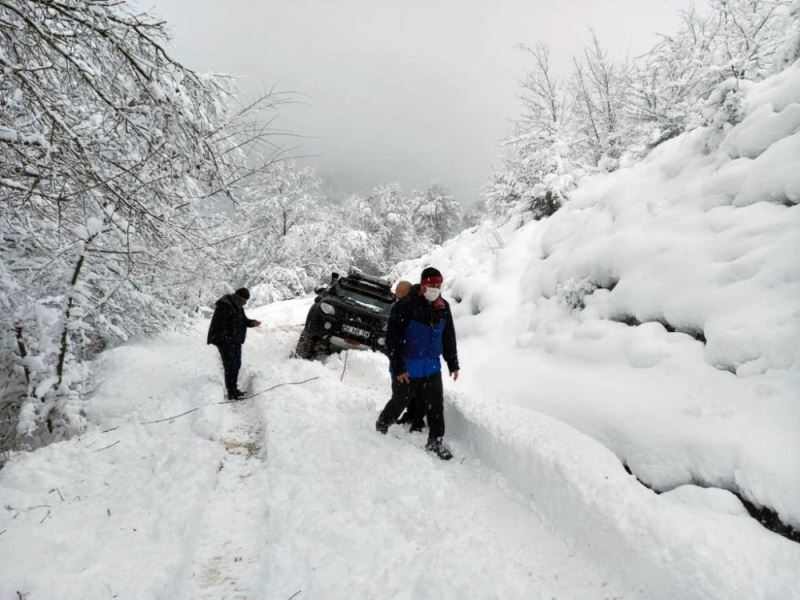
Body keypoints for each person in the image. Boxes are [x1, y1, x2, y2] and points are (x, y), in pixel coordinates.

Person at [376, 267, 460, 460]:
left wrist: (453, 362)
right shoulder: (405, 306)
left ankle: (435, 441)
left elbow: (448, 337)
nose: (435, 289)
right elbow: (392, 340)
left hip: (431, 367)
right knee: (400, 400)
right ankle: (382, 424)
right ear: (423, 284)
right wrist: (398, 367)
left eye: (439, 285)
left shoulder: (443, 307)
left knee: (436, 405)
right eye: (432, 285)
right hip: (407, 368)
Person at [207, 287, 261, 399]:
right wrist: (227, 338)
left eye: (246, 301)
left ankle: (234, 389)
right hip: (224, 341)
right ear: (237, 296)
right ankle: (231, 392)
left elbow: (243, 320)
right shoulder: (224, 306)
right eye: (243, 300)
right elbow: (219, 325)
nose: (244, 303)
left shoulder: (238, 306)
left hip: (235, 340)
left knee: (237, 364)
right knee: (230, 365)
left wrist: (251, 323)